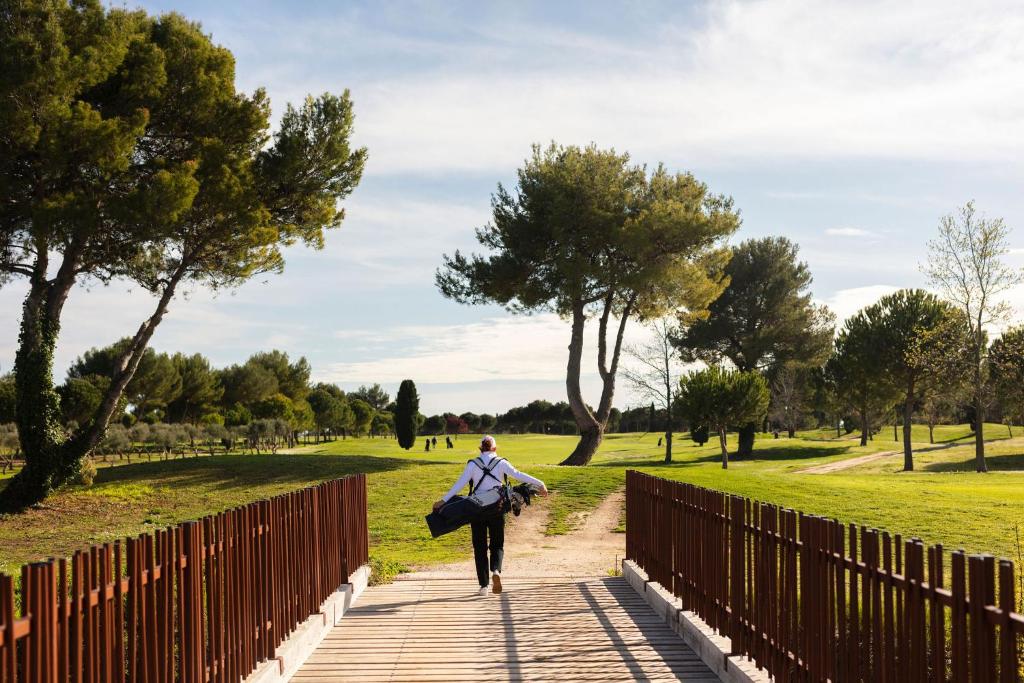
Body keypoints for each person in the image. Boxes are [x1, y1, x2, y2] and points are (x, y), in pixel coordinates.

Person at [433, 435, 548, 596]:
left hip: (477, 509)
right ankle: (496, 571)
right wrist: (540, 483)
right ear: (494, 448)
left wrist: (443, 501)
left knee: (479, 547)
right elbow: (518, 474)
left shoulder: (473, 464)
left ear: (480, 449)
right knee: (497, 544)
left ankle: (483, 587)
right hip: (497, 508)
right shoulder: (501, 462)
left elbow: (459, 485)